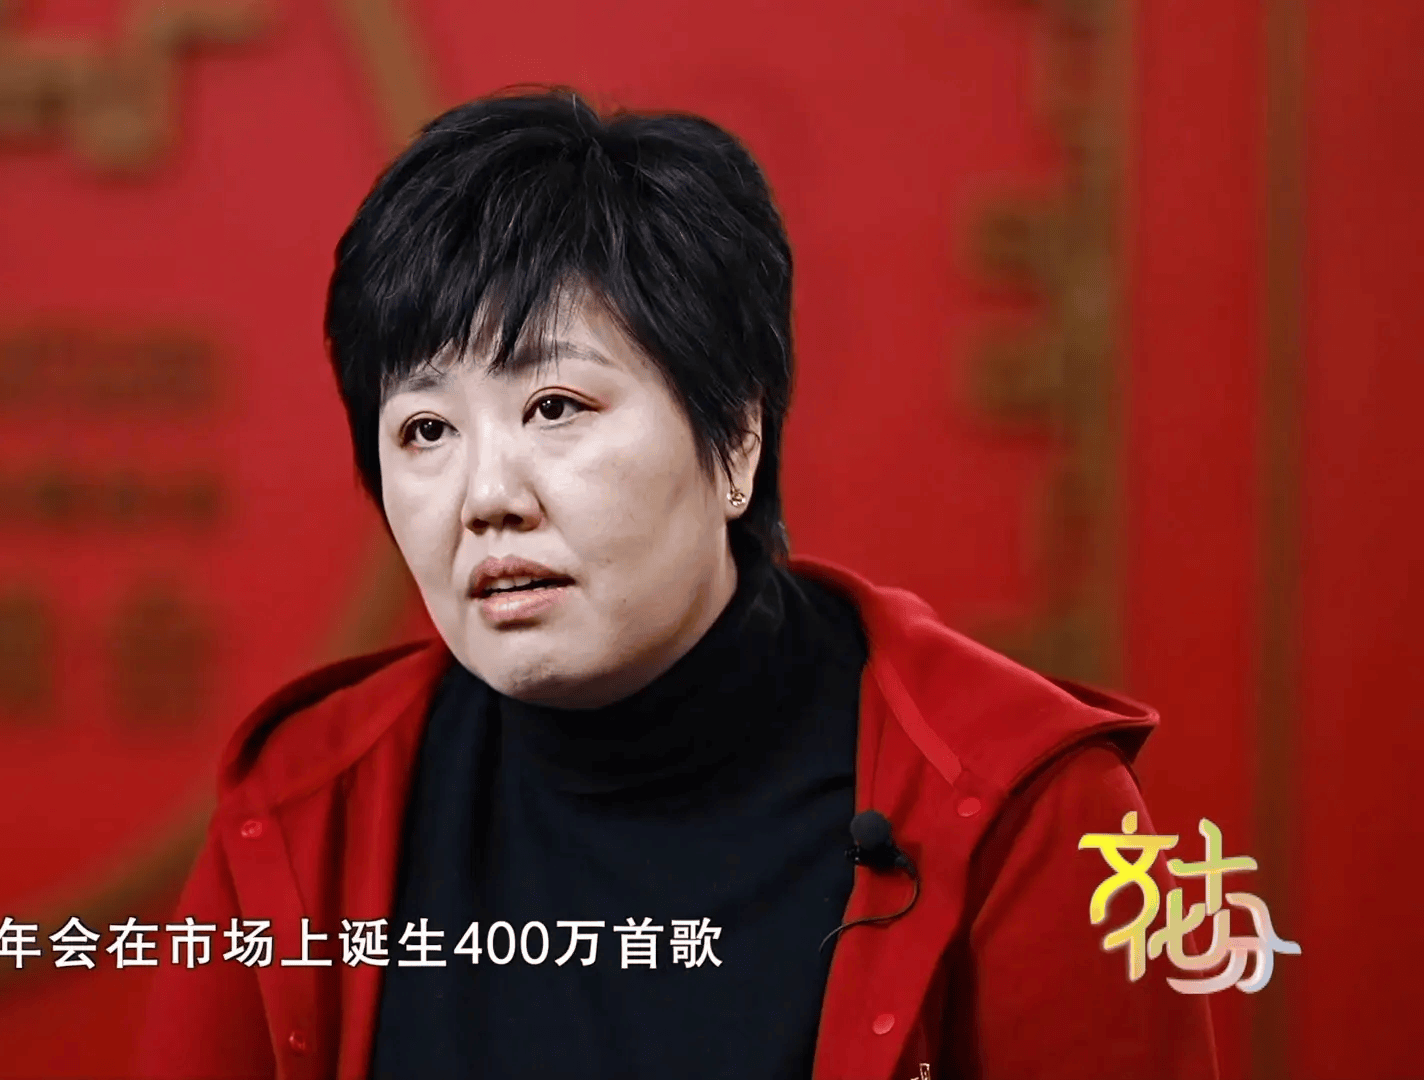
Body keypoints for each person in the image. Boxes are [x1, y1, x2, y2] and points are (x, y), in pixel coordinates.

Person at [139, 88, 1218, 1080]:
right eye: (425, 429)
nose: (487, 496)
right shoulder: (303, 810)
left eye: (555, 407)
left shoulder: (1027, 811)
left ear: (738, 434)